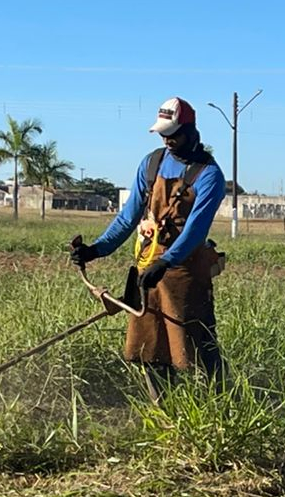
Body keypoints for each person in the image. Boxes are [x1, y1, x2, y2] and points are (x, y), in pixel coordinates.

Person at [69, 97, 226, 400]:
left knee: (199, 342)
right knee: (151, 344)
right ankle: (162, 411)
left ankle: (220, 405)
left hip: (185, 271)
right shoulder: (152, 162)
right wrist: (97, 249)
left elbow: (195, 230)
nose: (168, 140)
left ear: (192, 131)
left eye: (174, 134)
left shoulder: (210, 176)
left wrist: (166, 262)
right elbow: (129, 216)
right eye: (163, 134)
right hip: (147, 270)